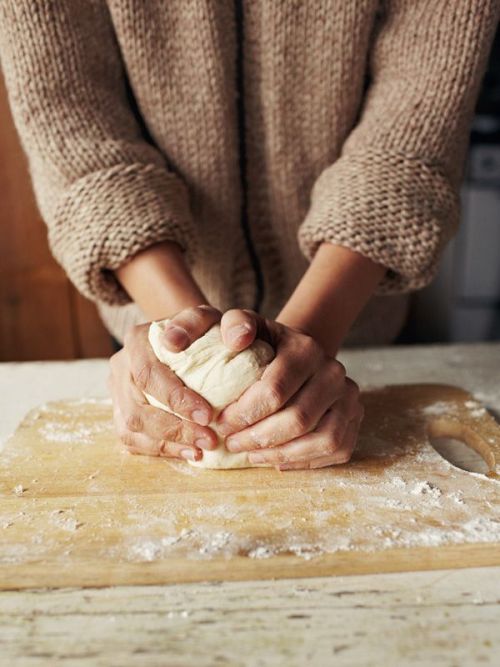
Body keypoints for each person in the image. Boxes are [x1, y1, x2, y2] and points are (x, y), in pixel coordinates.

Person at [1, 2, 497, 469]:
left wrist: (309, 348)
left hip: (358, 310)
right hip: (152, 332)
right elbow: (70, 120)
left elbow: (416, 121)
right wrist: (180, 340)